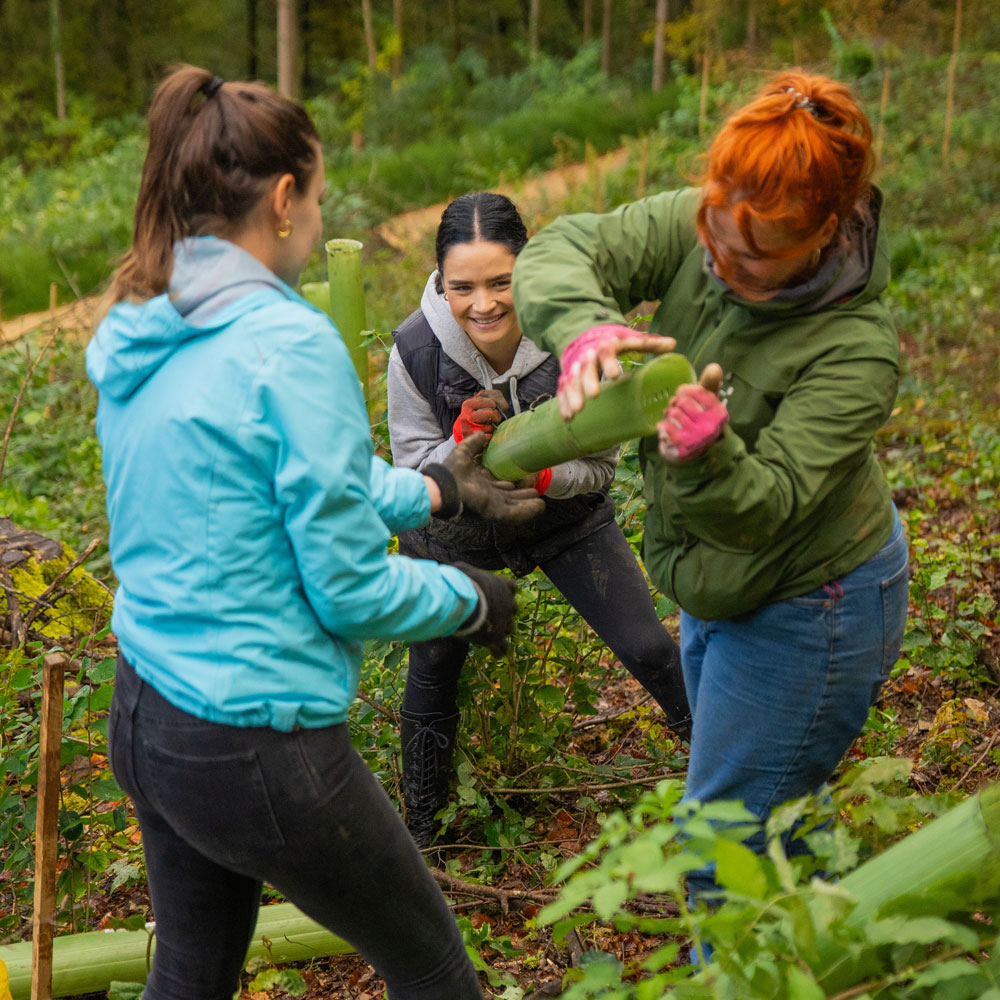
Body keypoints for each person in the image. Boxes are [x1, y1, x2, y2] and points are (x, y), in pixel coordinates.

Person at [86, 66, 544, 1000]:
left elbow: (276, 478)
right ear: (286, 199)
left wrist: (434, 493)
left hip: (146, 712)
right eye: (321, 193)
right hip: (255, 737)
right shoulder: (286, 344)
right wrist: (470, 600)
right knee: (435, 970)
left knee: (190, 976)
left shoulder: (149, 320)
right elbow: (348, 589)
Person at [511, 71, 910, 908]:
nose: (721, 265)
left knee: (718, 856)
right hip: (715, 587)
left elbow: (766, 504)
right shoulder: (715, 219)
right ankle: (838, 952)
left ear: (825, 232)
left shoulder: (856, 352)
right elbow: (564, 246)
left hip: (811, 606)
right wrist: (585, 327)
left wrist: (705, 454)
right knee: (779, 820)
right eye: (712, 239)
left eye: (753, 257)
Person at [387, 191, 692, 847]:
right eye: (462, 287)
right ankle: (424, 837)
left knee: (649, 647)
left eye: (502, 282)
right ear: (441, 282)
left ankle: (721, 773)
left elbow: (603, 469)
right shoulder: (415, 349)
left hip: (561, 517)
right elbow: (409, 474)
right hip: (453, 530)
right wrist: (458, 448)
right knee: (435, 664)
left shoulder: (571, 336)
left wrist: (546, 476)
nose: (483, 303)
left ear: (527, 270)